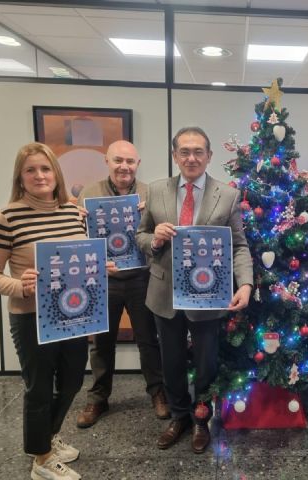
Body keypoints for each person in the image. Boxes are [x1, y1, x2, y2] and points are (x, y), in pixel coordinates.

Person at [0, 142, 99, 480]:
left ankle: (47, 437)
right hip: (31, 318)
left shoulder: (73, 213)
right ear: (20, 177)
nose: (39, 175)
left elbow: (79, 262)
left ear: (56, 174)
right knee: (40, 388)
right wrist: (19, 285)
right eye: (31, 170)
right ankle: (41, 459)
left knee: (73, 381)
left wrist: (103, 268)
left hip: (74, 316)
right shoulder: (6, 218)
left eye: (45, 169)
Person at [136, 126, 253, 454]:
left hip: (207, 294)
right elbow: (140, 236)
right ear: (175, 155)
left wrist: (244, 283)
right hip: (165, 293)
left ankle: (201, 418)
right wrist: (154, 237)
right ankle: (179, 416)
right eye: (184, 151)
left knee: (206, 362)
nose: (191, 157)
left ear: (209, 156)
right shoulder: (158, 190)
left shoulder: (227, 195)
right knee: (170, 360)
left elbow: (238, 245)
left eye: (198, 151)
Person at [75, 140, 169, 428]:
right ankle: (98, 398)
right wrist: (76, 221)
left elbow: (161, 235)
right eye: (118, 160)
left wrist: (149, 219)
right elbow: (79, 238)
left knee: (148, 340)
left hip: (142, 276)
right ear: (107, 161)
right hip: (104, 279)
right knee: (101, 343)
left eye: (129, 161)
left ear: (138, 164)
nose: (124, 166)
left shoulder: (150, 193)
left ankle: (157, 392)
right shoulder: (89, 195)